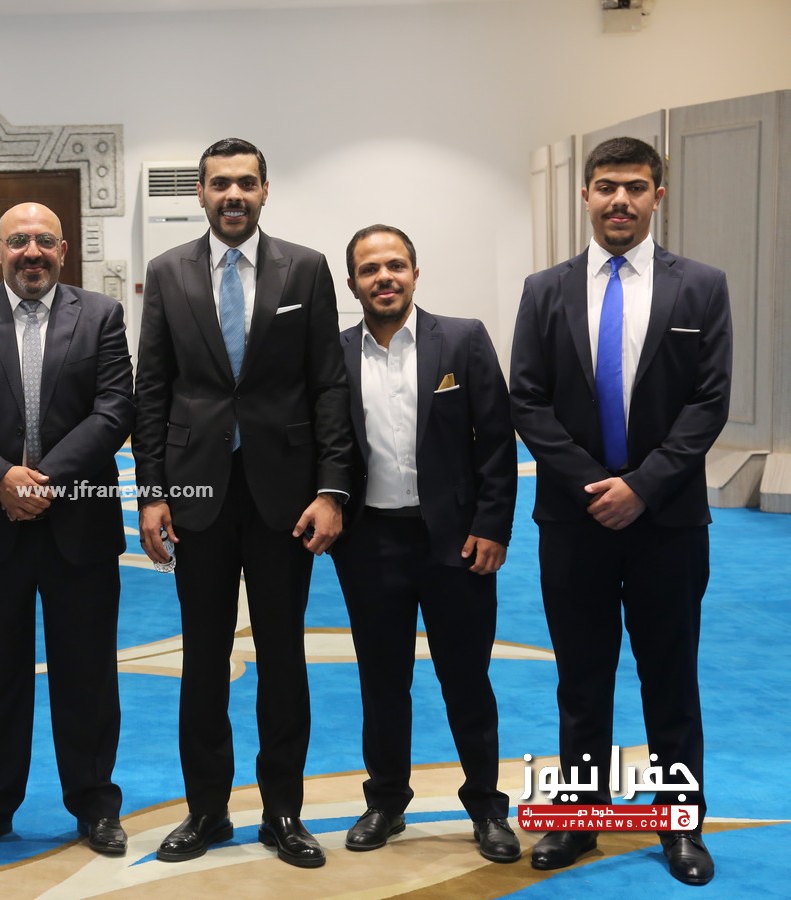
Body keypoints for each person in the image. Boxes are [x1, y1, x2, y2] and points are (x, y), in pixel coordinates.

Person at [510, 137, 732, 886]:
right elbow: (527, 400)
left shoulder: (701, 287)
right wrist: (594, 487)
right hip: (574, 523)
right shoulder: (545, 290)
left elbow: (708, 403)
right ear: (585, 196)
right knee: (581, 678)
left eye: (635, 187)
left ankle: (679, 826)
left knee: (670, 678)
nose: (619, 201)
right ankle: (578, 820)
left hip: (668, 523)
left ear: (657, 196)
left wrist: (643, 485)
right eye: (606, 186)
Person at [132, 138, 352, 869]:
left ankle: (283, 812)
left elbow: (327, 385)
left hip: (285, 497)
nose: (234, 194)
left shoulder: (305, 269)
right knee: (203, 657)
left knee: (283, 655)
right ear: (200, 192)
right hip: (197, 494)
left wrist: (331, 489)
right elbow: (153, 388)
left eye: (246, 183)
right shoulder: (168, 272)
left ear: (265, 191)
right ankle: (207, 809)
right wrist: (152, 492)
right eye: (220, 183)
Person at [0, 202, 133, 858]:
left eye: (44, 240)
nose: (32, 252)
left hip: (79, 527)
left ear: (64, 250)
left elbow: (114, 409)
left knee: (87, 675)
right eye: (19, 241)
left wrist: (45, 481)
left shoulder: (101, 314)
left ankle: (94, 803)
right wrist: (1, 478)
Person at [330, 224, 519, 862]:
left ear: (415, 273)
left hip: (457, 544)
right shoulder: (333, 353)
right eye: (369, 269)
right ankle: (385, 801)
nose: (384, 278)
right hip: (369, 543)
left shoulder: (462, 340)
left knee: (466, 679)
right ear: (352, 282)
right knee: (382, 681)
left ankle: (487, 807)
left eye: (395, 266)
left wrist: (492, 526)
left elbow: (496, 439)